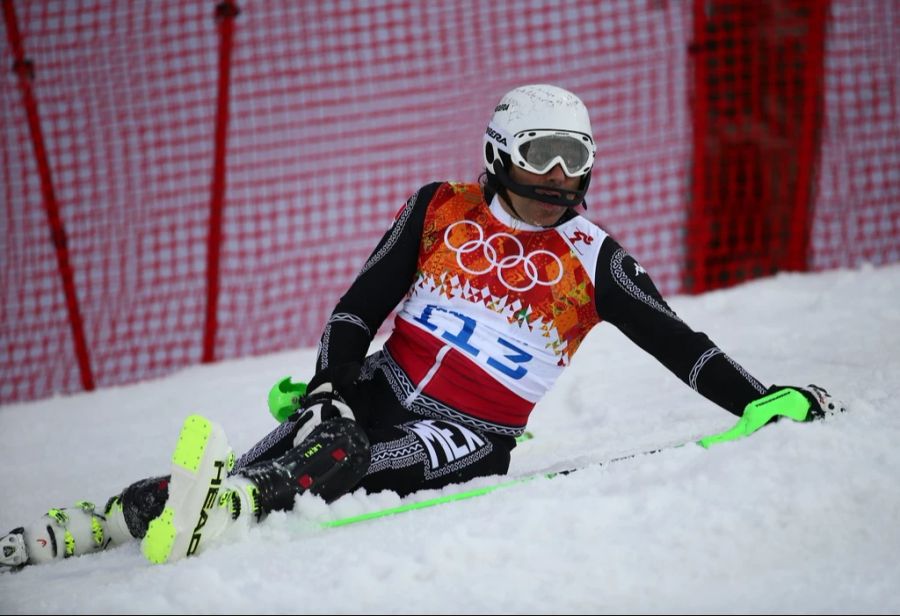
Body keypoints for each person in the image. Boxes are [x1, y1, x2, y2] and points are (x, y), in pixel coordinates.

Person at [0, 84, 843, 571]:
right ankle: (98, 521)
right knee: (308, 437)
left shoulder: (593, 257)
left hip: (467, 429)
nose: (560, 174)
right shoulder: (440, 209)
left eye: (576, 156)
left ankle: (237, 506)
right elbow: (357, 307)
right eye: (544, 151)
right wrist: (331, 384)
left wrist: (763, 400)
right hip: (376, 384)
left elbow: (681, 345)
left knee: (340, 458)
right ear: (500, 150)